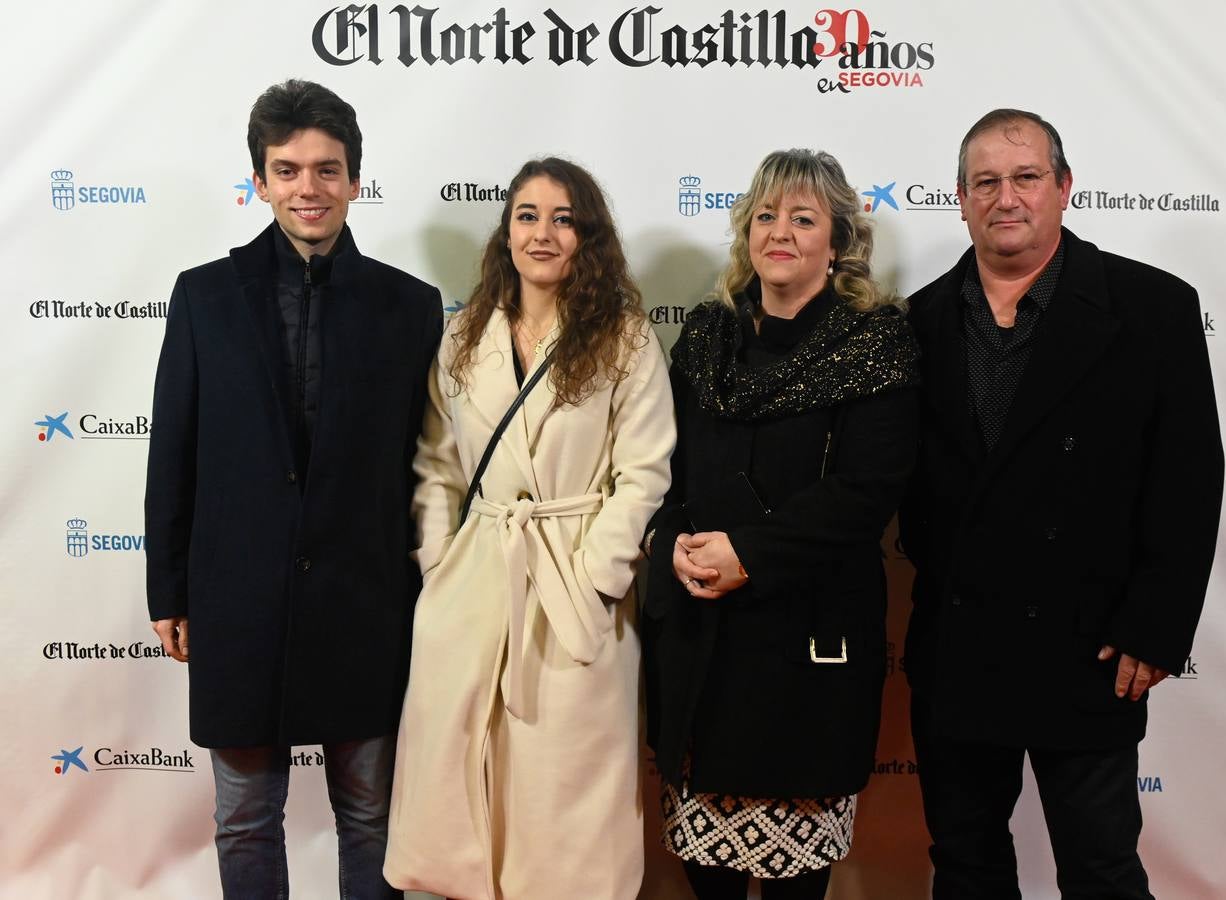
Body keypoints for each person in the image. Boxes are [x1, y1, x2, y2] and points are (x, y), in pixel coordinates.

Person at [898, 108, 1225, 899]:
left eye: (1025, 177)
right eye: (985, 182)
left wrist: (1154, 627)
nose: (1005, 197)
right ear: (960, 199)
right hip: (959, 646)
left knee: (1101, 865)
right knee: (966, 862)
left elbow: (1188, 479)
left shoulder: (1152, 307)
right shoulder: (917, 322)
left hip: (1092, 646)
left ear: (1063, 188)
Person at [144, 79, 443, 899]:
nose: (307, 188)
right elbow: (173, 450)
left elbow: (432, 466)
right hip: (237, 599)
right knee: (243, 815)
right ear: (261, 180)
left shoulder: (409, 307)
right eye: (288, 170)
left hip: (366, 598)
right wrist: (169, 588)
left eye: (326, 169)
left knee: (372, 815)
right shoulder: (203, 295)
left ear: (353, 178)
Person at [382, 157, 675, 900]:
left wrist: (599, 577)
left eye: (562, 217)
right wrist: (441, 565)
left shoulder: (626, 341)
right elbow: (436, 465)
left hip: (573, 583)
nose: (541, 233)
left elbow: (643, 474)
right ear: (504, 230)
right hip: (474, 580)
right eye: (525, 215)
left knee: (566, 794)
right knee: (463, 779)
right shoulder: (463, 336)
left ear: (587, 237)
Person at [643, 149, 919, 900]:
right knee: (708, 879)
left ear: (837, 242)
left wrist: (750, 554)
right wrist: (672, 548)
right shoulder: (703, 337)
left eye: (803, 218)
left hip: (808, 649)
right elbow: (658, 468)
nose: (781, 231)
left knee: (797, 887)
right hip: (704, 646)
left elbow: (866, 494)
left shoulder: (876, 344)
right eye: (765, 215)